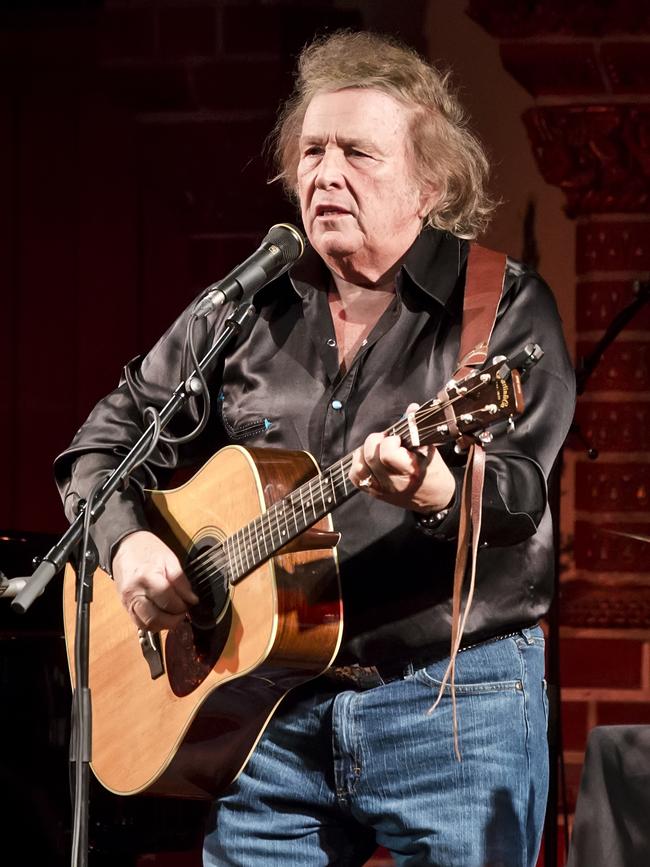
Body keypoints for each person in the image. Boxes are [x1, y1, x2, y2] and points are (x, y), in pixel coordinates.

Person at [55, 30, 575, 867]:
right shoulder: (243, 310)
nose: (326, 173)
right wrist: (132, 542)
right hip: (270, 711)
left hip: (450, 700)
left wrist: (441, 490)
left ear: (429, 183)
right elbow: (102, 442)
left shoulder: (498, 309)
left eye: (358, 154)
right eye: (312, 151)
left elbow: (519, 499)